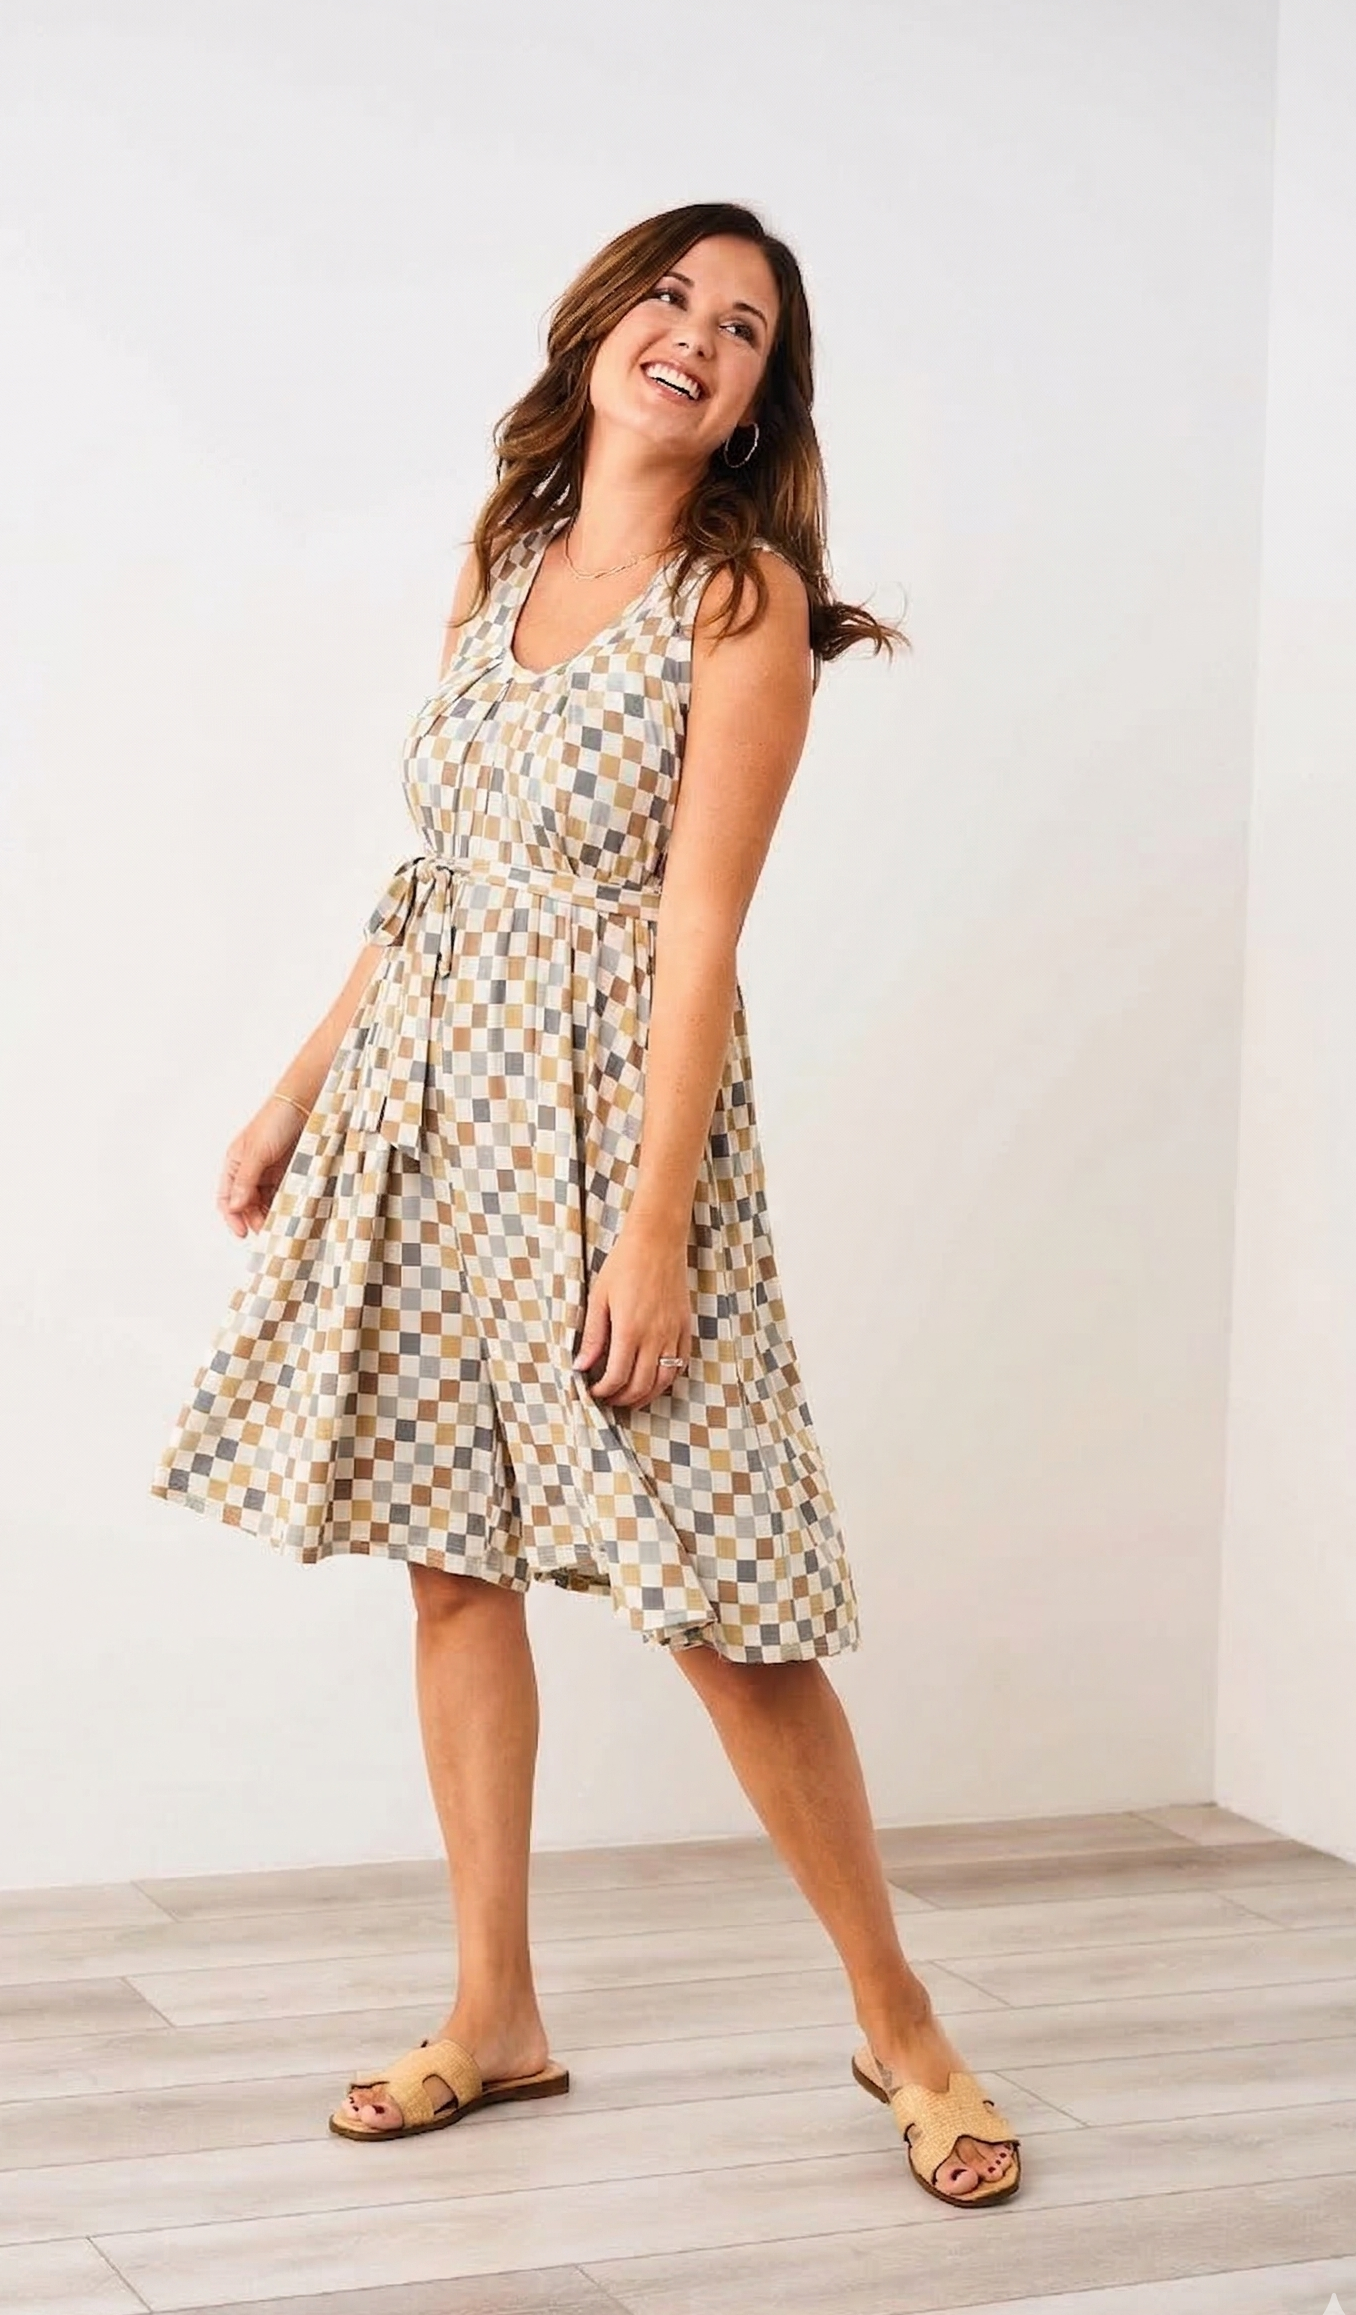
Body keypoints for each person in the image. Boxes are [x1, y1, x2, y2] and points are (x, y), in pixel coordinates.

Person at [151, 202, 1021, 2207]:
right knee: (451, 1562)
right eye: (670, 296)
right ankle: (495, 2014)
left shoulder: (742, 605)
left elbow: (697, 936)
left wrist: (650, 1232)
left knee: (722, 1606)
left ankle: (900, 2023)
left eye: (738, 330)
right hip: (423, 1117)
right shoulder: (503, 551)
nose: (693, 337)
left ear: (747, 404)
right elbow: (438, 868)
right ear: (603, 321)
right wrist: (296, 1088)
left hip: (609, 1131)